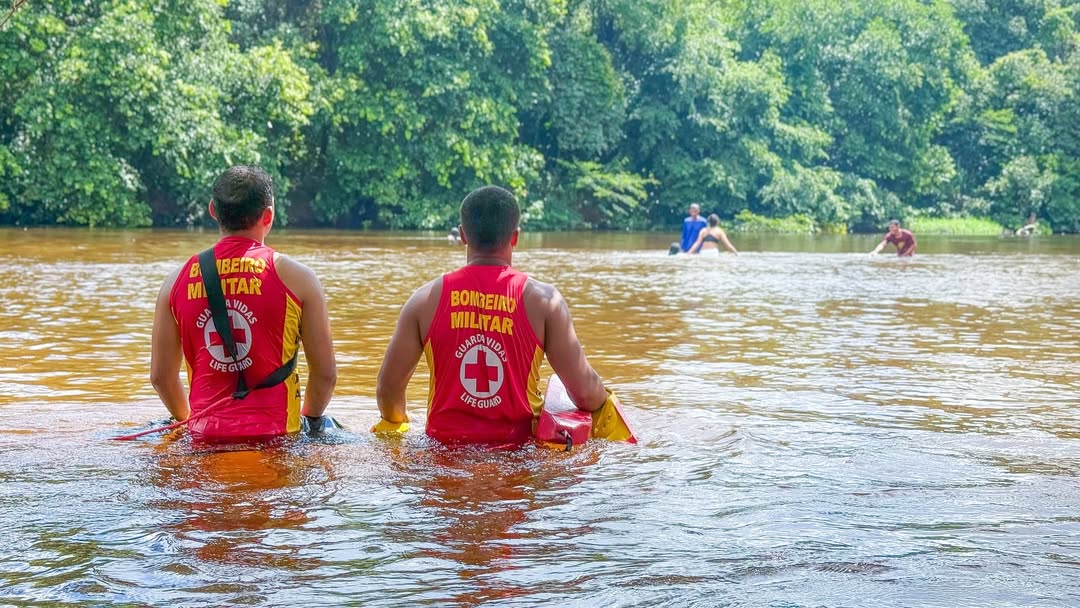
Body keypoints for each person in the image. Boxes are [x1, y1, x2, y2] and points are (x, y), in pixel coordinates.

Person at [375, 185, 616, 444]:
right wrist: (609, 404)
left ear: (463, 235)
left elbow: (388, 390)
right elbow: (586, 394)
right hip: (518, 460)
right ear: (515, 237)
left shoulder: (423, 301)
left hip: (441, 460)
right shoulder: (545, 302)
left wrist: (397, 423)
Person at [150, 166, 337, 442]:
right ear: (269, 215)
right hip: (277, 439)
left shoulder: (175, 282)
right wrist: (310, 422)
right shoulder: (298, 279)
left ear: (213, 210)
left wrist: (187, 420)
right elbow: (325, 375)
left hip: (204, 441)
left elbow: (160, 377)